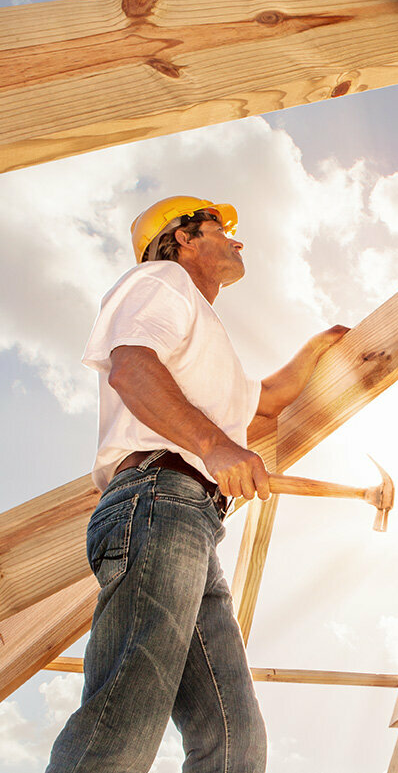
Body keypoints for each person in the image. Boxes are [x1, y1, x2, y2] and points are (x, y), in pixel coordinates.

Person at [45, 196, 349, 773]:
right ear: (183, 238)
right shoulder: (160, 280)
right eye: (220, 227)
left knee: (233, 742)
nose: (237, 239)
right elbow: (131, 366)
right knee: (125, 713)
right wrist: (214, 446)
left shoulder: (204, 335)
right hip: (157, 499)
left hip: (191, 520)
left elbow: (266, 403)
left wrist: (318, 347)